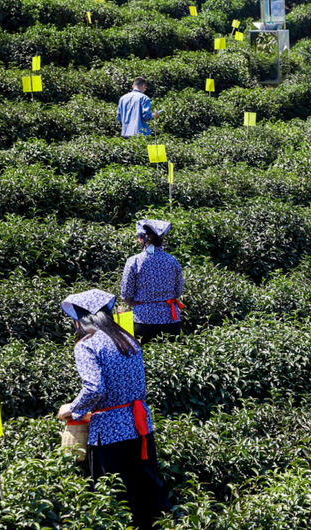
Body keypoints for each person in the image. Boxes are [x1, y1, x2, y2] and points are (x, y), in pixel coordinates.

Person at [56, 289, 171, 530]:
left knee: (111, 493)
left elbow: (94, 388)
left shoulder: (86, 345)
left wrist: (73, 410)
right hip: (139, 425)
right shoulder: (127, 339)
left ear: (84, 318)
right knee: (146, 486)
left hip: (109, 432)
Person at [121, 219, 184, 345]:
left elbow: (126, 293)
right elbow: (178, 291)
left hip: (142, 320)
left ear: (143, 239)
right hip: (170, 320)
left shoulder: (134, 261)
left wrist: (139, 304)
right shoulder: (172, 261)